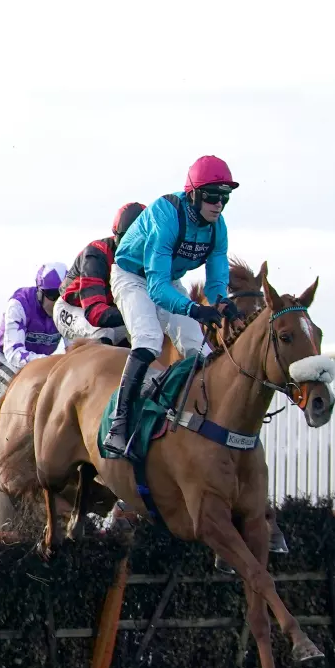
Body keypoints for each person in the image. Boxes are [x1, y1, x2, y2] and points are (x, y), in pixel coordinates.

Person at [103, 156, 243, 457]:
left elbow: (216, 283)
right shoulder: (166, 215)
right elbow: (155, 288)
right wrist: (195, 310)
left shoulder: (218, 228)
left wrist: (223, 303)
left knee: (199, 350)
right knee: (149, 339)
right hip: (133, 276)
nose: (219, 205)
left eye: (225, 197)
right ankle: (119, 422)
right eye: (212, 196)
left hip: (167, 279)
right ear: (194, 194)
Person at [55, 203, 147, 346]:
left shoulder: (153, 260)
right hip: (73, 308)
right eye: (128, 240)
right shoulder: (97, 253)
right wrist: (135, 313)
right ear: (116, 236)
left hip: (110, 312)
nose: (132, 248)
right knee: (103, 334)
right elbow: (94, 313)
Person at [0, 263, 68, 400]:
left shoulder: (67, 308)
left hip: (39, 367)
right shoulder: (19, 304)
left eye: (63, 295)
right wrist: (51, 361)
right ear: (39, 291)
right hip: (4, 361)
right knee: (29, 396)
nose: (58, 302)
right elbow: (13, 353)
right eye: (53, 295)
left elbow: (74, 348)